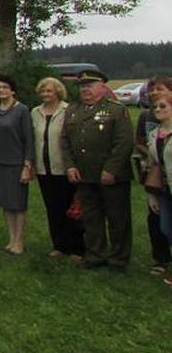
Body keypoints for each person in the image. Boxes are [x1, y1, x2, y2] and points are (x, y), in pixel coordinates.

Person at [62, 69, 134, 271]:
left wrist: (111, 169)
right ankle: (95, 255)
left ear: (103, 86)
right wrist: (70, 166)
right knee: (91, 218)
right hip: (84, 174)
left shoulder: (116, 110)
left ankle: (119, 259)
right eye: (82, 86)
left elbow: (124, 143)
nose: (85, 89)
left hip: (111, 176)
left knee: (117, 219)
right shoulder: (74, 110)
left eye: (90, 85)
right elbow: (65, 140)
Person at [31, 77, 84, 260]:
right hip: (43, 168)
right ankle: (59, 245)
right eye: (43, 91)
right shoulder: (35, 112)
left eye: (49, 91)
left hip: (63, 167)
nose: (46, 94)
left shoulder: (68, 110)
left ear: (58, 92)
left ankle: (77, 248)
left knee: (70, 208)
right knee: (52, 208)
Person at [0, 75, 34, 255]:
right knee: (5, 202)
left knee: (18, 203)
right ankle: (11, 239)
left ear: (12, 90)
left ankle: (19, 241)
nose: (1, 90)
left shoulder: (21, 110)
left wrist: (27, 166)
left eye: (5, 87)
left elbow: (28, 139)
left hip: (17, 163)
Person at [135, 76, 172, 276]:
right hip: (161, 183)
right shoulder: (149, 123)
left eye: (160, 89)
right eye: (152, 90)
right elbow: (143, 146)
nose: (154, 93)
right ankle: (161, 259)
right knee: (161, 224)